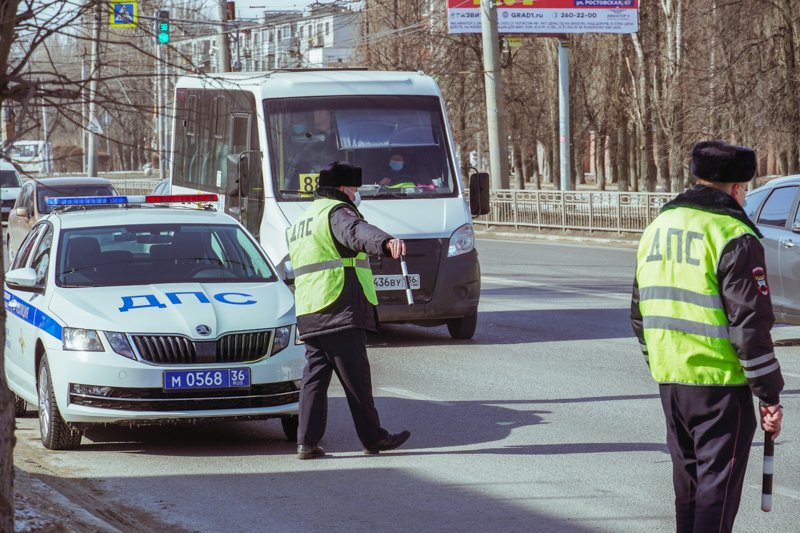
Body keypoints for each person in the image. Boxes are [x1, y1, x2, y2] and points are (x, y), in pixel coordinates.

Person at [630, 140, 784, 533]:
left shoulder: (657, 227)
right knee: (716, 495)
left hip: (671, 380)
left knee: (689, 490)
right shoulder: (733, 234)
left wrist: (660, 360)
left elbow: (638, 311)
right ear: (736, 188)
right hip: (719, 386)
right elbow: (750, 326)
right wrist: (768, 394)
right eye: (745, 190)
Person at [287, 161, 411, 459]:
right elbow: (357, 231)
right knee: (357, 378)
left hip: (310, 309)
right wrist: (386, 242)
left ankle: (306, 442)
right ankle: (373, 439)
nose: (357, 194)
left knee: (315, 379)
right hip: (339, 304)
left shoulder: (304, 219)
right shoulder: (337, 212)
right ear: (343, 189)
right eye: (354, 189)